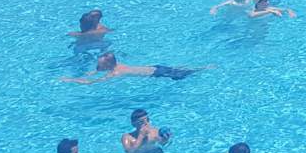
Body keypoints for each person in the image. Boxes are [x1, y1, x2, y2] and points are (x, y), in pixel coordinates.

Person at [61, 52, 210, 84]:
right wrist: (92, 72)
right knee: (179, 68)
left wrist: (70, 79)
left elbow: (92, 83)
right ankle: (203, 67)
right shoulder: (118, 65)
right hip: (155, 67)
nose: (98, 66)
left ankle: (206, 68)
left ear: (108, 65)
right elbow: (99, 70)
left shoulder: (116, 72)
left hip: (157, 73)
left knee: (187, 73)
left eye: (100, 64)